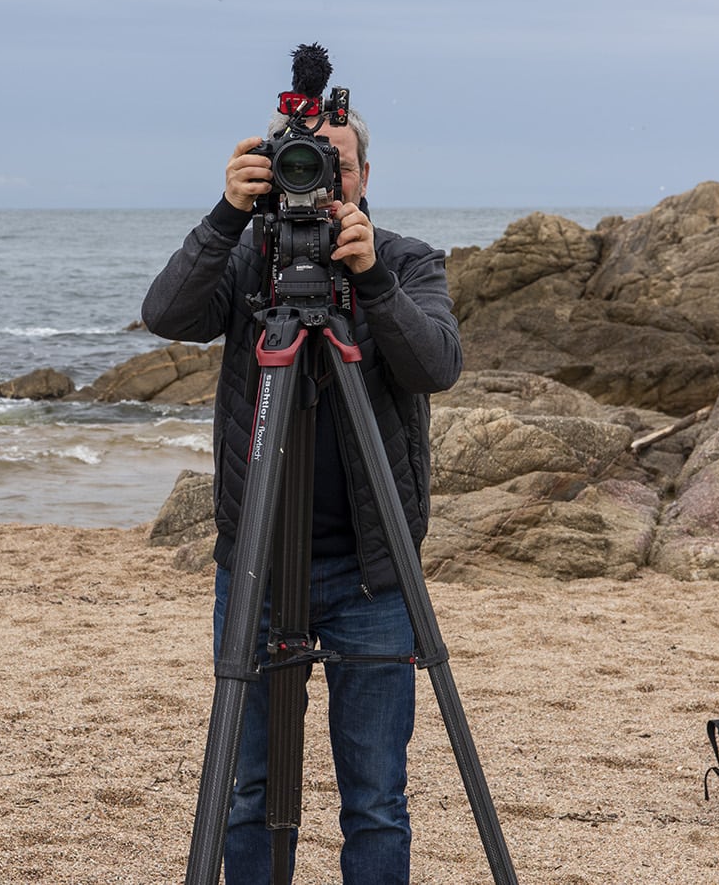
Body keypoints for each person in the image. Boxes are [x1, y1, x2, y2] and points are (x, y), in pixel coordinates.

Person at [141, 102, 462, 884]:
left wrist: (371, 279)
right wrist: (226, 214)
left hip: (371, 574)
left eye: (337, 164)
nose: (319, 178)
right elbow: (166, 313)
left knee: (377, 797)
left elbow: (434, 365)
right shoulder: (249, 259)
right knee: (248, 790)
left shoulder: (405, 259)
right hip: (254, 566)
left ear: (361, 176)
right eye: (300, 161)